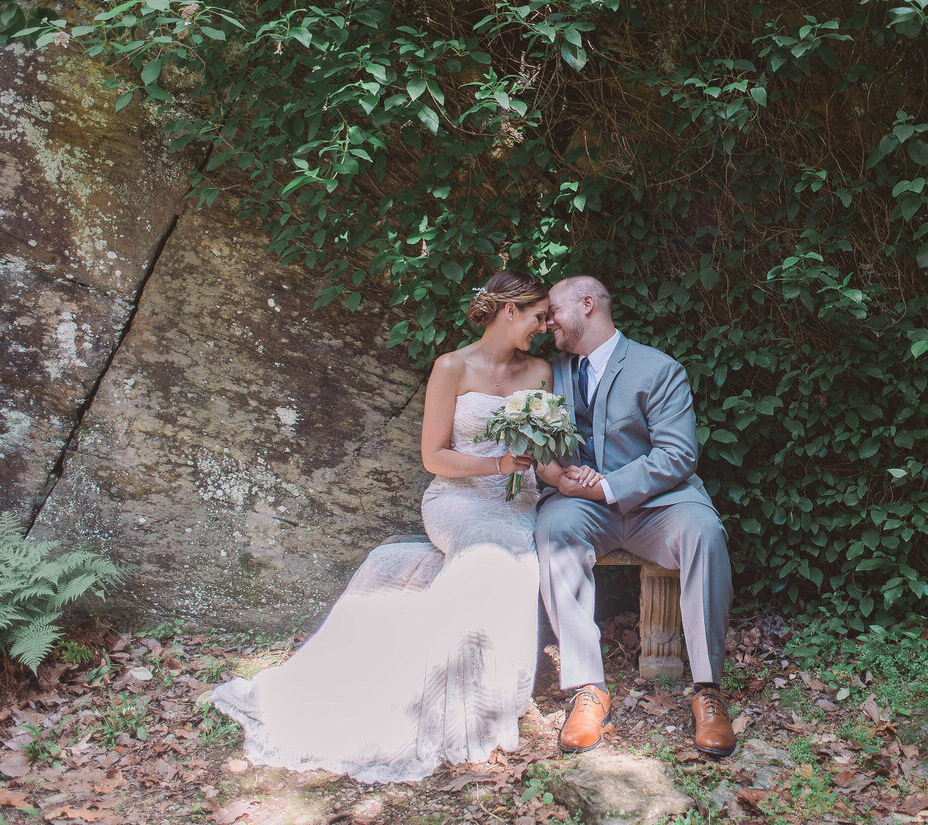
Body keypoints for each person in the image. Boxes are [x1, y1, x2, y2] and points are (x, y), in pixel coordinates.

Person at [211, 268, 554, 783]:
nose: (545, 326)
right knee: (487, 552)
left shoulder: (541, 373)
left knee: (507, 559)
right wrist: (495, 466)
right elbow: (434, 457)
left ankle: (483, 703)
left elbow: (542, 453)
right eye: (538, 316)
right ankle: (427, 703)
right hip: (458, 499)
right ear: (510, 311)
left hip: (516, 500)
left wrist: (564, 475)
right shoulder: (452, 367)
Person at [533, 275, 736, 757]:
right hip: (581, 506)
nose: (548, 323)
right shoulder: (550, 373)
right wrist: (561, 478)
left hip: (660, 504)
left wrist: (608, 485)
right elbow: (539, 445)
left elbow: (677, 455)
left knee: (705, 532)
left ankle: (707, 689)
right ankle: (587, 687)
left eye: (553, 311)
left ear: (587, 305)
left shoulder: (658, 368)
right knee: (553, 529)